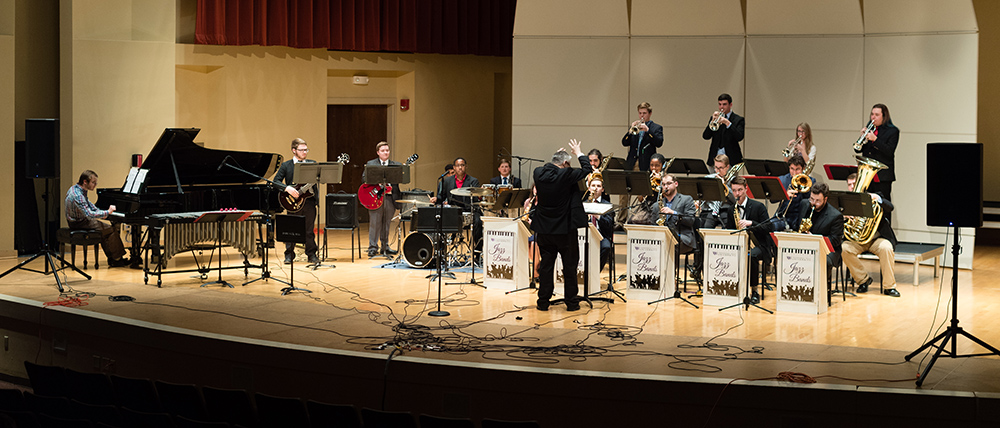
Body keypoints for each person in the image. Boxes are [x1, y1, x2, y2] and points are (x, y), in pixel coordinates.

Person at [532, 139, 590, 311]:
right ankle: (571, 303)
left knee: (546, 266)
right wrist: (578, 152)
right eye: (568, 164)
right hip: (564, 230)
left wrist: (559, 156)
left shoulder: (538, 173)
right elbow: (586, 169)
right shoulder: (565, 175)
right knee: (570, 267)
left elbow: (552, 167)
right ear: (565, 163)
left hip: (544, 229)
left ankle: (543, 302)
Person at [841, 173, 899, 297]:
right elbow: (835, 221)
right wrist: (843, 217)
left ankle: (889, 287)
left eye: (854, 184)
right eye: (849, 185)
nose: (851, 187)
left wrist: (876, 197)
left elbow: (890, 207)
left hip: (876, 239)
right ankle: (863, 280)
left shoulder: (874, 196)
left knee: (886, 248)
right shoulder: (845, 201)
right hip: (856, 240)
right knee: (844, 249)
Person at [65, 170, 132, 268]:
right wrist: (107, 212)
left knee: (105, 230)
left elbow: (88, 204)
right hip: (79, 223)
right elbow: (89, 214)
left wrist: (100, 211)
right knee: (111, 229)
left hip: (79, 220)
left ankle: (113, 258)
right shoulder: (78, 195)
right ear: (85, 182)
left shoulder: (76, 189)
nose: (95, 185)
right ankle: (117, 259)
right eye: (93, 182)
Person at [273, 138, 319, 265]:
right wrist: (286, 188)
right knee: (291, 228)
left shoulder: (312, 164)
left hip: (309, 201)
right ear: (294, 151)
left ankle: (312, 254)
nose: (305, 152)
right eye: (302, 150)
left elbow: (318, 180)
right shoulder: (286, 165)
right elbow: (276, 181)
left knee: (309, 230)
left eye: (306, 150)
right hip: (292, 202)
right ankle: (289, 255)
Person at [727, 176, 772, 303]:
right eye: (734, 190)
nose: (737, 194)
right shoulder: (731, 209)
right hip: (739, 243)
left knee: (750, 255)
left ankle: (754, 291)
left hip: (759, 245)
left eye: (740, 190)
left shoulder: (758, 206)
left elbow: (768, 227)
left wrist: (751, 223)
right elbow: (729, 229)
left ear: (746, 189)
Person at [363, 141, 401, 258]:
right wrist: (376, 181)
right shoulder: (371, 164)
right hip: (376, 197)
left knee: (386, 223)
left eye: (387, 150)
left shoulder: (395, 165)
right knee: (375, 223)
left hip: (390, 197)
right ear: (378, 152)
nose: (386, 152)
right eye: (383, 151)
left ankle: (385, 246)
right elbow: (364, 178)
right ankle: (373, 247)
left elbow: (401, 179)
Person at [799, 183, 844, 279]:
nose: (814, 203)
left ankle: (822, 291)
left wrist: (815, 239)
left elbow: (835, 240)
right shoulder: (804, 204)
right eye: (811, 199)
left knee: (824, 262)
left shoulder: (835, 216)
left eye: (818, 201)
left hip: (828, 250)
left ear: (825, 199)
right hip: (805, 246)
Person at [855, 103, 898, 200]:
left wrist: (875, 140)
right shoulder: (870, 129)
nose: (873, 117)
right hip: (867, 175)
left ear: (884, 116)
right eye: (872, 114)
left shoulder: (893, 131)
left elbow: (889, 151)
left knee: (883, 203)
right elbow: (858, 149)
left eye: (877, 115)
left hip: (882, 175)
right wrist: (862, 139)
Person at [652, 173, 698, 255]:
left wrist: (673, 213)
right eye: (663, 184)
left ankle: (670, 268)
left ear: (676, 184)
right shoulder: (657, 205)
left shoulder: (686, 199)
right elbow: (653, 224)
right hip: (663, 238)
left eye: (669, 183)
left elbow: (690, 220)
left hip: (683, 238)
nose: (666, 187)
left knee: (669, 246)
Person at [702, 93, 745, 166]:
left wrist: (728, 123)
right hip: (715, 158)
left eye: (724, 104)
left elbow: (739, 137)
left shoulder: (738, 119)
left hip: (731, 159)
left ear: (730, 105)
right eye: (720, 104)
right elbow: (705, 136)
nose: (721, 107)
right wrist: (712, 121)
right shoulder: (715, 118)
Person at [774, 154, 813, 232]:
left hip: (800, 217)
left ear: (803, 168)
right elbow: (772, 200)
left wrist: (802, 187)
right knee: (770, 226)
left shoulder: (810, 181)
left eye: (797, 169)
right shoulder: (782, 179)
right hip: (783, 216)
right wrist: (784, 195)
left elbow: (809, 200)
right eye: (792, 169)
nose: (794, 173)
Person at [621, 102, 664, 171]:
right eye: (640, 113)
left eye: (644, 113)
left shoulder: (656, 128)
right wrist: (630, 132)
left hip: (646, 163)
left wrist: (648, 131)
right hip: (632, 162)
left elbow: (659, 143)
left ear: (650, 114)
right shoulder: (635, 126)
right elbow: (624, 143)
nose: (642, 116)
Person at [586, 178, 614, 273]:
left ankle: (595, 273)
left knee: (606, 247)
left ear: (602, 189)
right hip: (586, 235)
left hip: (601, 235)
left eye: (598, 186)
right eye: (593, 186)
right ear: (589, 188)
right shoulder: (584, 203)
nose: (595, 188)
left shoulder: (608, 205)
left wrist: (598, 216)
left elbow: (609, 225)